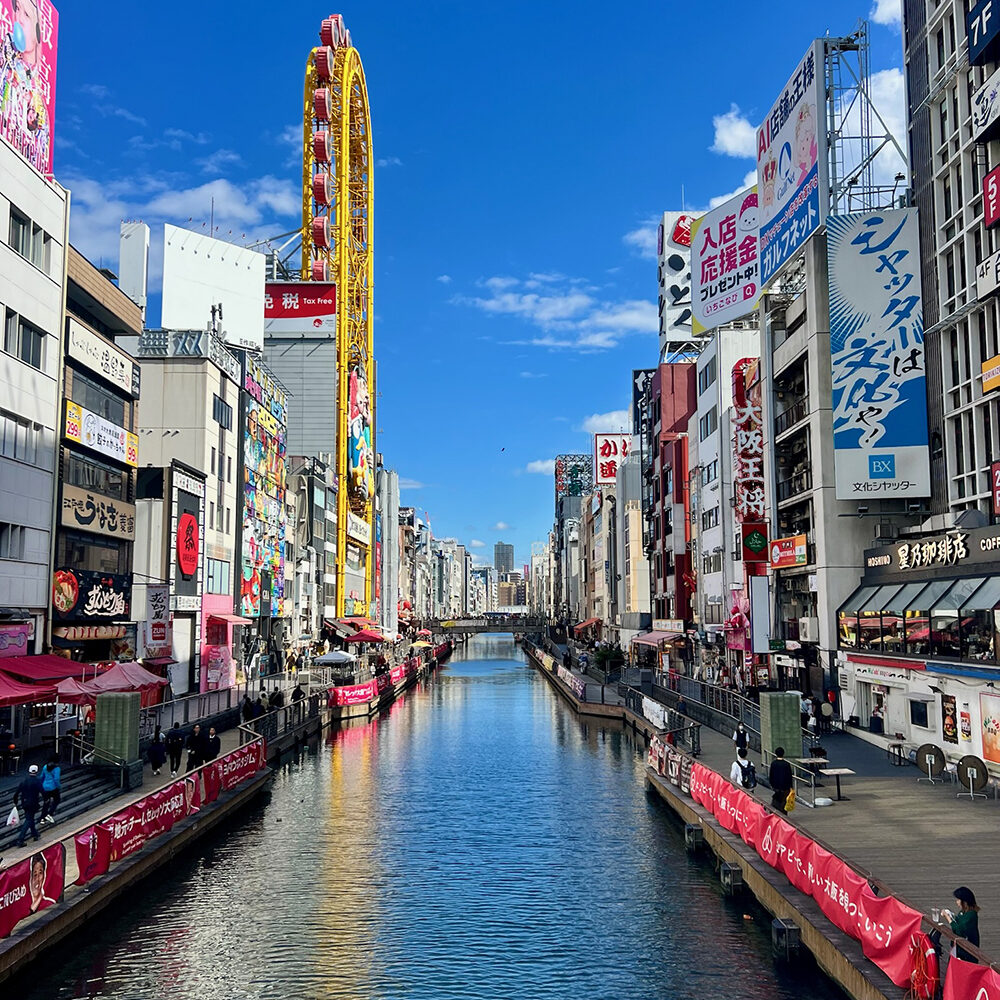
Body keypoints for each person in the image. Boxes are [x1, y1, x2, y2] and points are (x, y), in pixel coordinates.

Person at [943, 886, 981, 961]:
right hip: (958, 949)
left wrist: (948, 918)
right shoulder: (962, 912)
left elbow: (959, 930)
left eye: (958, 900)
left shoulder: (971, 915)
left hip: (967, 953)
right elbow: (958, 922)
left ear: (964, 901)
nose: (957, 902)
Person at [13, 764, 44, 847]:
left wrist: (15, 801)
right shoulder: (37, 781)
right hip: (33, 803)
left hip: (25, 803)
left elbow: (17, 792)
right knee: (29, 819)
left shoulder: (24, 781)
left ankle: (35, 834)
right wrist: (46, 799)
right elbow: (42, 791)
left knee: (30, 818)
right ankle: (20, 839)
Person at [768, 747, 793, 813]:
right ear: (783, 754)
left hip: (776, 786)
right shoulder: (786, 764)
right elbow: (789, 776)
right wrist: (790, 786)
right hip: (785, 787)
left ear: (776, 754)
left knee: (776, 800)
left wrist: (772, 784)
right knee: (784, 802)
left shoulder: (773, 763)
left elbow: (771, 775)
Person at [40, 757, 60, 824]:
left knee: (46, 802)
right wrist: (58, 787)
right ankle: (49, 814)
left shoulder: (45, 767)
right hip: (53, 788)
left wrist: (41, 785)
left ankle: (42, 818)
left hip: (45, 787)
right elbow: (56, 779)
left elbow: (42, 777)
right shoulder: (57, 769)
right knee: (57, 800)